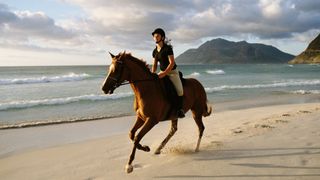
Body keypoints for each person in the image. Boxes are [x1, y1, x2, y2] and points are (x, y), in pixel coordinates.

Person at [151, 28, 185, 118]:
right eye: (154, 36)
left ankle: (180, 109)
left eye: (157, 36)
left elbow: (172, 63)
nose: (155, 38)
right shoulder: (154, 51)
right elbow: (154, 65)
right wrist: (152, 74)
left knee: (180, 90)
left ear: (162, 37)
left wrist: (165, 73)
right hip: (162, 72)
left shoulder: (168, 48)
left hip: (172, 72)